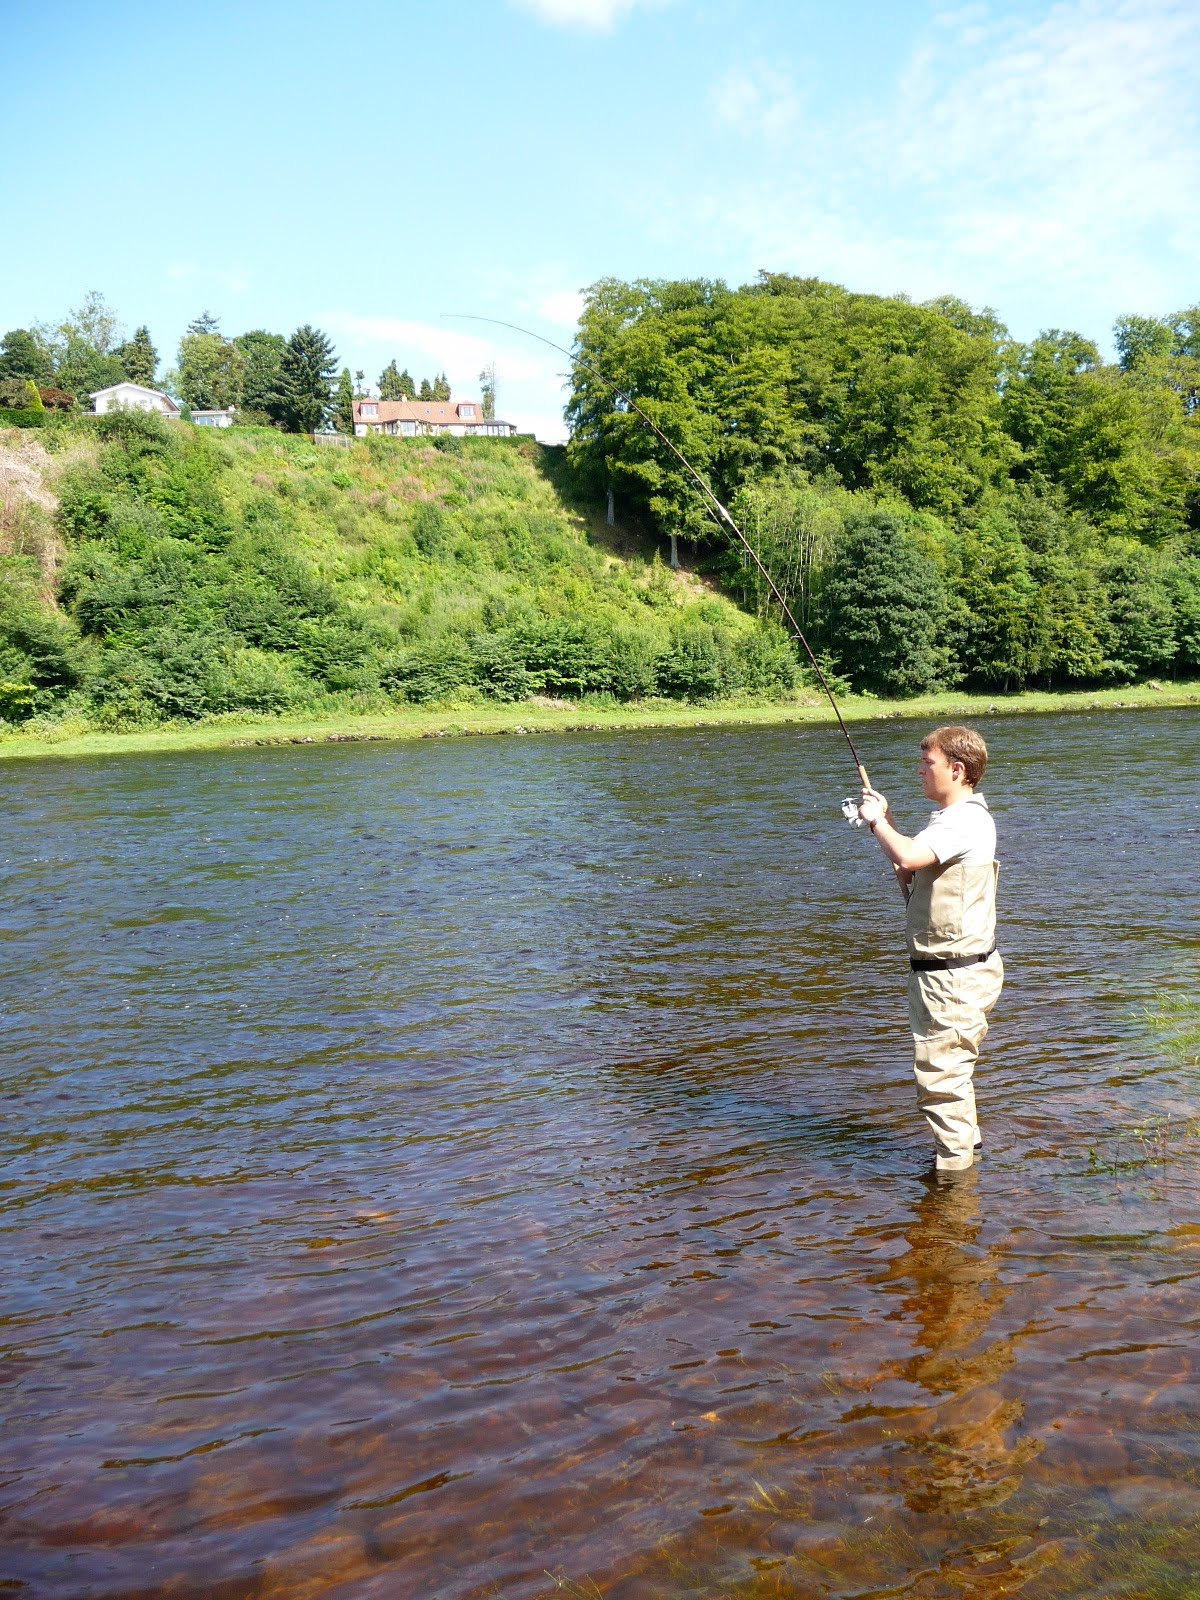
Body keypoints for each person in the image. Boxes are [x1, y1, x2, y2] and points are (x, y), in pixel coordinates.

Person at [857, 726, 1002, 1175]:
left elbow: (909, 859)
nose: (920, 771)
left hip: (952, 978)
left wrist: (878, 820)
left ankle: (955, 1191)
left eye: (928, 764)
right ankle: (967, 1157)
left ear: (957, 770)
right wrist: (889, 824)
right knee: (951, 1075)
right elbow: (911, 869)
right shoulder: (952, 820)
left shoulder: (965, 820)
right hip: (949, 971)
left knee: (940, 1080)